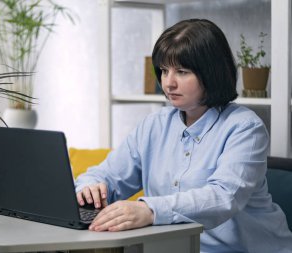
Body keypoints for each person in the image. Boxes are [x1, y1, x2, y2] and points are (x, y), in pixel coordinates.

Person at [75, 19, 292, 252]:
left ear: (211, 73)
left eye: (182, 71)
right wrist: (90, 188)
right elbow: (104, 175)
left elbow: (223, 197)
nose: (169, 83)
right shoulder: (154, 125)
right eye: (164, 71)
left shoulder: (245, 128)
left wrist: (150, 210)